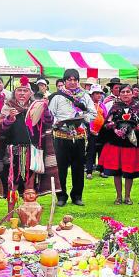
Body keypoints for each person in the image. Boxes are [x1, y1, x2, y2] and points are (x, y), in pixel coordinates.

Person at [0, 76, 60, 202]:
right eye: (19, 90)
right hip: (12, 151)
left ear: (30, 93)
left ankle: (29, 211)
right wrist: (10, 119)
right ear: (14, 92)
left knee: (30, 184)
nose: (22, 93)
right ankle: (11, 214)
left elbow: (49, 122)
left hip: (32, 150)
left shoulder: (36, 106)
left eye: (25, 91)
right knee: (12, 183)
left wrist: (45, 109)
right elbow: (1, 129)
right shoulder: (8, 107)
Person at [48, 69, 96, 206]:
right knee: (61, 168)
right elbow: (50, 115)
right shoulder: (57, 96)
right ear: (64, 81)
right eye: (69, 80)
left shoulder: (85, 96)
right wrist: (57, 122)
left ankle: (77, 196)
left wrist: (81, 118)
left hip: (79, 136)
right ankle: (61, 196)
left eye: (75, 80)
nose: (73, 82)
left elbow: (93, 113)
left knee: (78, 168)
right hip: (61, 136)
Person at [99, 84, 139, 204]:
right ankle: (118, 196)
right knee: (117, 171)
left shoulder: (138, 107)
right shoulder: (115, 107)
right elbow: (107, 123)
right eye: (123, 92)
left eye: (128, 92)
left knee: (129, 171)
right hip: (116, 144)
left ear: (132, 93)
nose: (125, 94)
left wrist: (138, 129)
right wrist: (114, 128)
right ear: (119, 94)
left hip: (131, 145)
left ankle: (127, 197)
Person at [85, 84, 107, 179]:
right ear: (92, 95)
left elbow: (106, 117)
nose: (99, 95)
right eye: (97, 93)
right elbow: (85, 118)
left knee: (102, 152)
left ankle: (102, 170)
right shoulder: (87, 105)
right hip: (91, 132)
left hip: (101, 132)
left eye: (100, 93)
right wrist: (90, 130)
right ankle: (89, 171)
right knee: (91, 152)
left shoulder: (102, 105)